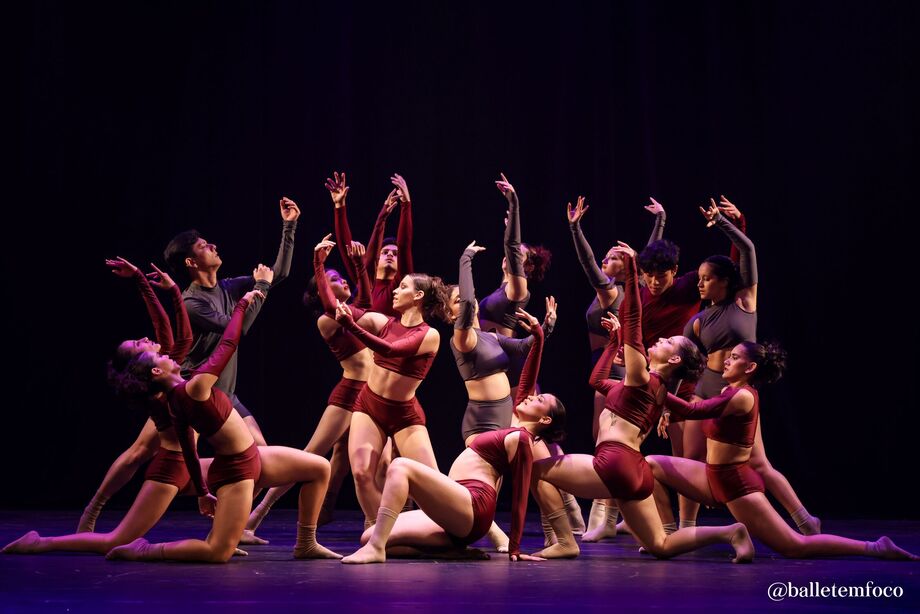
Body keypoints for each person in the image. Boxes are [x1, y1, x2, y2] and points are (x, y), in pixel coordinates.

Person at [529, 244, 754, 563]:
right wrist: (611, 345)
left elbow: (633, 316)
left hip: (613, 462)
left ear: (673, 358)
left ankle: (564, 540)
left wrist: (633, 272)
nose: (660, 339)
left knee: (537, 471)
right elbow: (596, 382)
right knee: (661, 545)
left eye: (667, 342)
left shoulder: (639, 377)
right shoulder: (657, 389)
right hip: (633, 469)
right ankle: (730, 532)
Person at [103, 290, 340, 562]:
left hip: (253, 456)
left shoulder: (176, 400)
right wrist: (241, 306)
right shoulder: (195, 388)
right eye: (163, 359)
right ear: (157, 372)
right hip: (236, 468)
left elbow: (190, 452)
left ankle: (306, 543)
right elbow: (228, 344)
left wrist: (203, 493)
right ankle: (146, 549)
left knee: (320, 467)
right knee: (217, 553)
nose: (171, 356)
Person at [4, 259, 209, 556]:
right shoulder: (160, 385)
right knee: (119, 532)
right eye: (139, 345)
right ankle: (50, 537)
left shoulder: (160, 378)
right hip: (172, 465)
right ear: (146, 367)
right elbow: (176, 335)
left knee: (242, 469)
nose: (146, 339)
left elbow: (171, 333)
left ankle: (228, 533)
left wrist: (145, 281)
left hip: (178, 459)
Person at [647, 342, 917, 561]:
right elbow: (700, 415)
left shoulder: (743, 396)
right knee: (651, 465)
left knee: (794, 547)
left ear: (750, 367)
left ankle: (875, 547)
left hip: (736, 486)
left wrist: (654, 384)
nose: (727, 361)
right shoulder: (729, 390)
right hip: (711, 476)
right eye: (728, 356)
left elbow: (696, 410)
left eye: (735, 357)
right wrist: (668, 409)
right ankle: (668, 536)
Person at [341, 309, 553, 564]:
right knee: (368, 534)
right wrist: (539, 336)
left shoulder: (521, 440)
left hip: (473, 509)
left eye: (539, 400)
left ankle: (376, 550)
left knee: (401, 466)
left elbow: (520, 498)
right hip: (456, 505)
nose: (530, 396)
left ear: (544, 420)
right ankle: (445, 550)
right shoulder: (517, 417)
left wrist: (515, 549)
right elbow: (528, 379)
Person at [674, 197, 819, 535]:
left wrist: (728, 224)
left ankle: (805, 520)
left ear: (725, 280)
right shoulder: (697, 321)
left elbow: (748, 250)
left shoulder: (744, 301)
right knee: (691, 461)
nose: (700, 283)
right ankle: (686, 527)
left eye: (708, 278)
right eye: (701, 278)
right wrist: (676, 402)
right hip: (705, 389)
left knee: (758, 462)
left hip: (737, 393)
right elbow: (684, 362)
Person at [245, 234, 372, 533]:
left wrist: (359, 266)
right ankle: (257, 514)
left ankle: (377, 522)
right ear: (321, 291)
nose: (343, 280)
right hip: (350, 394)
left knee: (372, 460)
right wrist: (319, 264)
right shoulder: (327, 321)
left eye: (342, 277)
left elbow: (366, 302)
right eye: (334, 278)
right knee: (310, 456)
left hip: (372, 394)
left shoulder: (351, 312)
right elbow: (335, 307)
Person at [162, 197, 301, 449]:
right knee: (169, 464)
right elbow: (237, 329)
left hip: (225, 395)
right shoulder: (191, 303)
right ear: (191, 263)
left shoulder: (226, 287)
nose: (213, 246)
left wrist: (288, 226)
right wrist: (261, 285)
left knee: (261, 455)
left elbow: (277, 274)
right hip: (197, 395)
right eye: (204, 246)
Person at [449, 240, 557, 550]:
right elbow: (469, 304)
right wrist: (466, 258)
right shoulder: (463, 337)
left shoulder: (490, 336)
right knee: (482, 480)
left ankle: (510, 533)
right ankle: (482, 531)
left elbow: (525, 347)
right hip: (480, 420)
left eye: (463, 299)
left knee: (501, 478)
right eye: (456, 301)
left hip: (503, 412)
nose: (465, 302)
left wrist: (543, 330)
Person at [334, 273, 450, 528]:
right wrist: (318, 264)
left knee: (434, 482)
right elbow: (342, 306)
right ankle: (380, 534)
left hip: (403, 414)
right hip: (368, 405)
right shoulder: (384, 322)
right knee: (362, 473)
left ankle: (467, 532)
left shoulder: (429, 335)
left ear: (418, 296)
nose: (395, 291)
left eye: (403, 287)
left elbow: (391, 350)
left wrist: (352, 327)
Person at [329, 171, 414, 317]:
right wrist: (339, 206)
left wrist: (406, 205)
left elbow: (405, 245)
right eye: (385, 252)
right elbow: (346, 247)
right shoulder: (364, 284)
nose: (389, 255)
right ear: (376, 259)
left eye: (395, 254)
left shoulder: (401, 286)